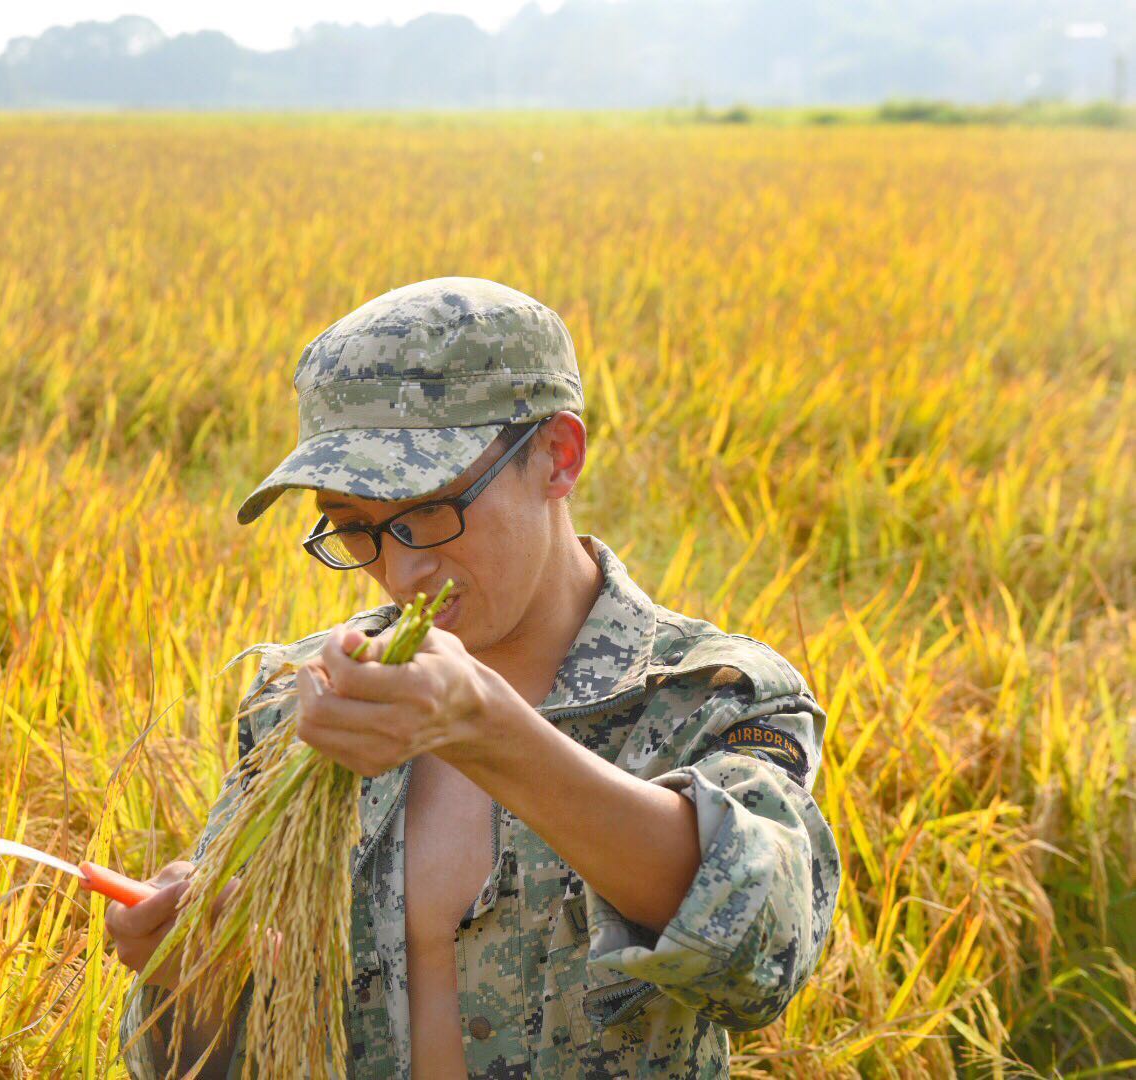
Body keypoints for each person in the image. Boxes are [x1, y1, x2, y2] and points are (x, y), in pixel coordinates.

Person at [106, 276, 841, 1078]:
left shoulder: (711, 694)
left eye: (430, 510)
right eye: (354, 529)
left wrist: (490, 732)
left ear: (558, 456)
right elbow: (212, 1061)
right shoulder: (308, 705)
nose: (402, 571)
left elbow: (763, 957)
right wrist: (194, 976)